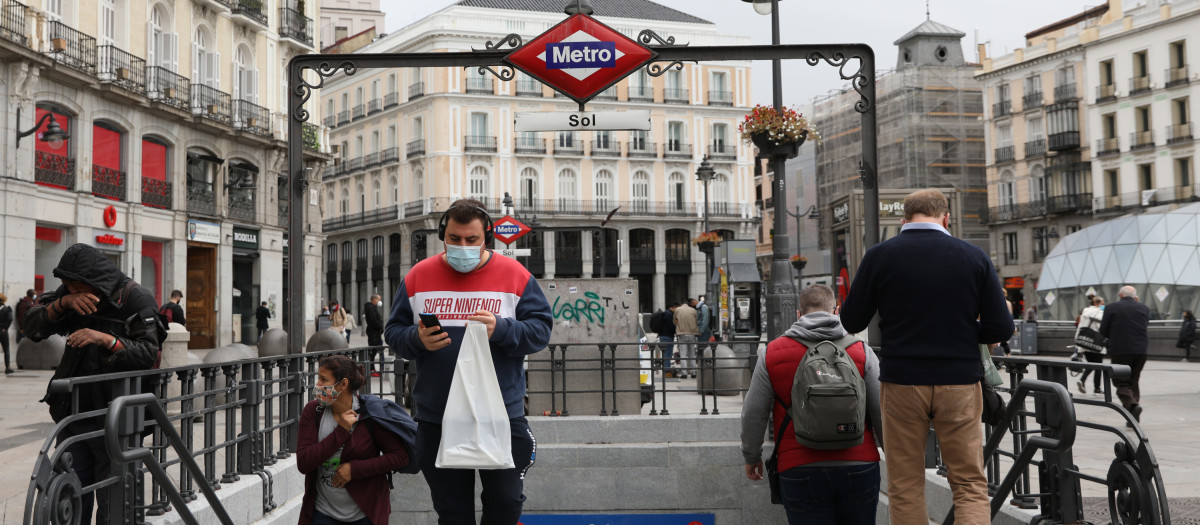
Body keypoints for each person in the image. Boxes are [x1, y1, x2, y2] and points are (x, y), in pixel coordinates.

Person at [839, 189, 1013, 525]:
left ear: (904, 219)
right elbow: (1000, 327)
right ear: (947, 218)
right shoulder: (973, 256)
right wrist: (963, 334)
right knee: (969, 482)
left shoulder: (880, 256)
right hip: (959, 382)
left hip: (902, 380)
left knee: (905, 483)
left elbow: (852, 321)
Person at [385, 198, 552, 524]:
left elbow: (541, 332)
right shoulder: (418, 276)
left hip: (501, 415)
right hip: (437, 417)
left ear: (486, 237)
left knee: (506, 504)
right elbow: (393, 333)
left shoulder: (514, 274)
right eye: (455, 239)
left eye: (471, 240)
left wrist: (502, 329)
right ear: (442, 236)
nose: (463, 246)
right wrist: (416, 340)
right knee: (452, 512)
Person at [24, 243, 163, 524]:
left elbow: (149, 353)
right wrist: (62, 304)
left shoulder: (136, 298)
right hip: (74, 412)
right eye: (67, 287)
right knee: (69, 495)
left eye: (74, 286)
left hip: (117, 418)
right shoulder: (69, 295)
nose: (71, 291)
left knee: (115, 501)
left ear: (91, 281)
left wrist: (106, 340)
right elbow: (32, 328)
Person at [741, 284, 883, 524]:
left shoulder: (771, 353)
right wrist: (891, 451)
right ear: (836, 311)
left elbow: (753, 413)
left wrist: (751, 456)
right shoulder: (861, 351)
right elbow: (882, 408)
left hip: (798, 467)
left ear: (799, 314)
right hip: (859, 465)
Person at [297, 355, 410, 525]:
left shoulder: (370, 414)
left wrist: (355, 469)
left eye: (323, 379)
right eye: (317, 378)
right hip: (323, 513)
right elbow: (304, 462)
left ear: (343, 384)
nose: (317, 385)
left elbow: (399, 457)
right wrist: (341, 431)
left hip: (365, 513)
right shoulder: (314, 412)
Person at [1099, 285, 1151, 428]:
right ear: (1135, 297)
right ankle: (1133, 417)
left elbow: (1103, 330)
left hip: (1121, 350)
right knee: (1134, 380)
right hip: (1141, 350)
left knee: (1121, 382)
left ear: (1120, 295)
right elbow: (1144, 324)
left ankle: (1132, 406)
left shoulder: (1112, 307)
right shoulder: (1144, 308)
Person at [1076, 296, 1106, 395]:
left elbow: (1080, 328)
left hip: (1084, 342)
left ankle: (1084, 382)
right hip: (1096, 343)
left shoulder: (1085, 312)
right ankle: (1095, 387)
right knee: (1098, 365)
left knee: (1092, 364)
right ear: (1100, 303)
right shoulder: (1100, 314)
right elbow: (1102, 329)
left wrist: (1077, 345)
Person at [674, 298, 699, 379]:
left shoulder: (678, 310)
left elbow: (674, 321)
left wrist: (678, 326)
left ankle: (684, 373)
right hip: (692, 334)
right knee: (692, 354)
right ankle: (693, 372)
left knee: (683, 354)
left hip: (682, 334)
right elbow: (697, 321)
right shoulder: (693, 310)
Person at [364, 294, 385, 375]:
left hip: (376, 333)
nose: (380, 301)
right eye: (379, 299)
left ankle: (376, 368)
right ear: (374, 299)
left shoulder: (373, 308)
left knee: (377, 350)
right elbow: (373, 320)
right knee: (373, 351)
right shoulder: (370, 308)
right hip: (374, 333)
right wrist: (379, 327)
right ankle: (371, 369)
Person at [658, 303, 677, 377]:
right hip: (667, 336)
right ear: (674, 307)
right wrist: (676, 329)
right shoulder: (669, 314)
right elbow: (671, 326)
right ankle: (667, 372)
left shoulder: (666, 313)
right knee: (667, 354)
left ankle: (666, 370)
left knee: (666, 354)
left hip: (663, 336)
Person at [0, 293, 12, 374]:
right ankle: (7, 367)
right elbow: (10, 318)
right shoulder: (7, 309)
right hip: (2, 331)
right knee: (6, 349)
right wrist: (5, 328)